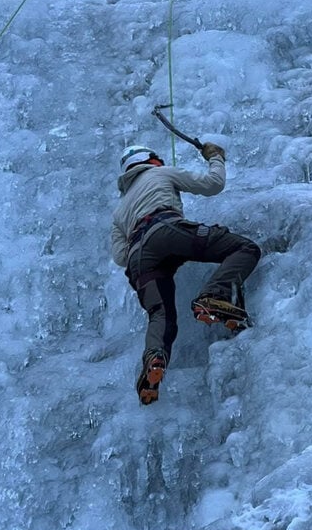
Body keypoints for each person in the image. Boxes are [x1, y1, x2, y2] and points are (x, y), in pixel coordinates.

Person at [111, 143, 262, 405]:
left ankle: (154, 358)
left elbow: (120, 257)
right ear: (152, 160)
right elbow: (213, 184)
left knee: (161, 315)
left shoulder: (120, 210)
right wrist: (215, 157)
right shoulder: (159, 173)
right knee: (245, 248)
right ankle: (214, 295)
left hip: (138, 258)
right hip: (165, 229)